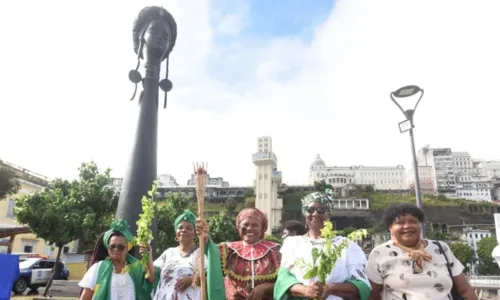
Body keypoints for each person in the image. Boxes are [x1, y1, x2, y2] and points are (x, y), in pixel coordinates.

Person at [366, 203, 477, 300]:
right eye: (400, 222)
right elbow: (373, 295)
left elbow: (465, 289)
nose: (407, 226)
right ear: (390, 227)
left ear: (420, 225)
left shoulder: (441, 248)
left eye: (413, 221)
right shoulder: (380, 254)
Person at [274, 190, 371, 300]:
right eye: (310, 210)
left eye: (321, 210)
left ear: (329, 214)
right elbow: (284, 279)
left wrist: (330, 288)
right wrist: (305, 290)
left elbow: (361, 284)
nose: (315, 214)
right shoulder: (292, 244)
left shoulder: (346, 245)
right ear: (304, 214)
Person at [197, 208, 281, 300]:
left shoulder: (276, 250)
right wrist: (205, 238)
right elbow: (211, 253)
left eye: (255, 225)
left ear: (263, 228)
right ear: (238, 226)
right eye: (245, 224)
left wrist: (264, 287)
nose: (249, 228)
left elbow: (286, 282)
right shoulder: (228, 249)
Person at [79, 219, 160, 300]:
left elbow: (151, 279)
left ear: (128, 248)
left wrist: (148, 255)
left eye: (120, 247)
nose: (116, 249)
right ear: (107, 248)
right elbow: (85, 297)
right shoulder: (98, 268)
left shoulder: (137, 267)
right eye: (112, 246)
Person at [152, 210, 205, 300]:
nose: (184, 230)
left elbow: (213, 279)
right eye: (180, 227)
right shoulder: (168, 253)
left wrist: (192, 280)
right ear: (176, 233)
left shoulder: (202, 254)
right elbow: (152, 274)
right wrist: (147, 254)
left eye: (189, 228)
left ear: (195, 233)